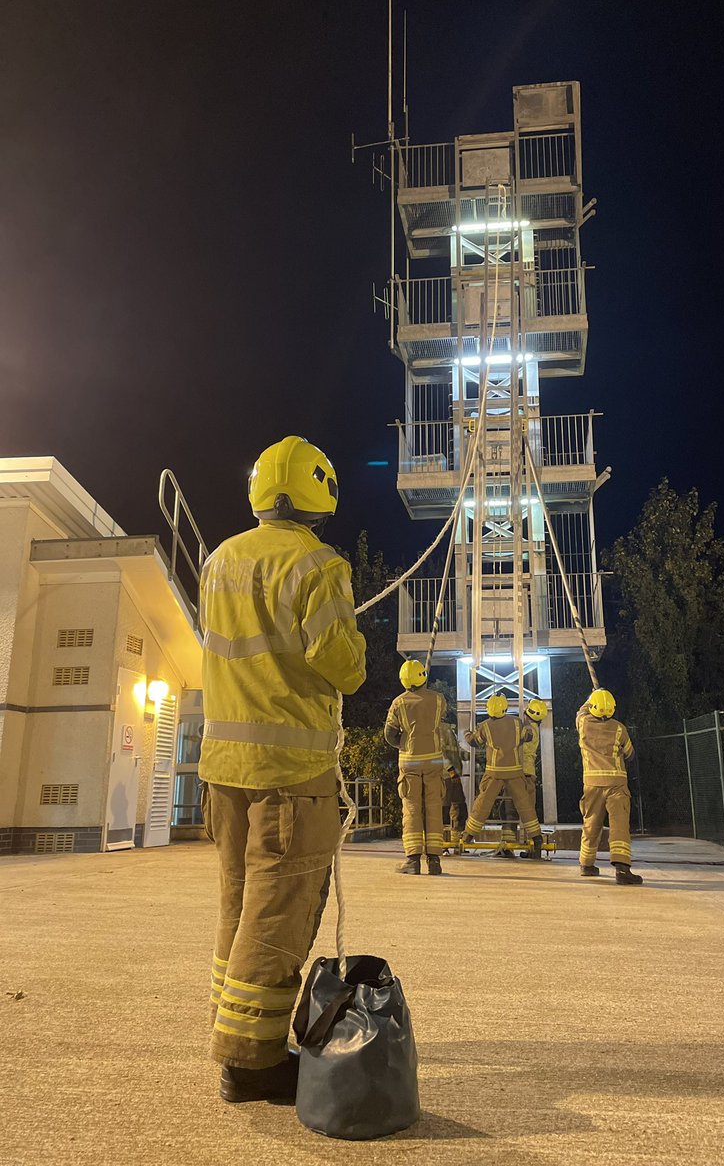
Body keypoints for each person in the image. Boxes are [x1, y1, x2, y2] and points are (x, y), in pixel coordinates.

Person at [198, 435, 366, 1104]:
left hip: (223, 768)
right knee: (278, 912)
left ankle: (233, 1031)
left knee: (239, 904)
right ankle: (251, 1060)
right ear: (319, 492)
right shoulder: (318, 564)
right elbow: (341, 664)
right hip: (289, 773)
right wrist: (355, 647)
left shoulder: (219, 560)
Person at [384, 660, 447, 875]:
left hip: (409, 761)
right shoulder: (438, 699)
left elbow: (390, 734)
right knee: (434, 807)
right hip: (434, 761)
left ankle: (412, 860)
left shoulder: (398, 703)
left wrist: (404, 742)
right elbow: (441, 720)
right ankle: (434, 861)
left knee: (411, 808)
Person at [461, 694, 543, 859]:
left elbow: (474, 741)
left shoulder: (485, 726)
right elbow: (528, 736)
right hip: (515, 771)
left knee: (482, 804)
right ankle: (536, 837)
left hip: (494, 772)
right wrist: (526, 725)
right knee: (525, 806)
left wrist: (467, 733)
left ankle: (468, 836)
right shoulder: (517, 723)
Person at [576, 688, 642, 884]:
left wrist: (592, 696)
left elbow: (581, 711)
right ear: (612, 708)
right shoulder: (619, 729)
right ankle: (622, 870)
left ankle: (586, 864)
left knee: (591, 823)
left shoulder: (583, 724)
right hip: (616, 784)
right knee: (619, 825)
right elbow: (630, 754)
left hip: (592, 783)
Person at [440, 721, 469, 842]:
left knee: (459, 804)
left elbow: (455, 751)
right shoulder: (440, 728)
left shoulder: (448, 729)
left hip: (453, 774)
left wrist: (471, 756)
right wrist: (450, 769)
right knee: (446, 806)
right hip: (446, 775)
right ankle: (444, 838)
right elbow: (440, 753)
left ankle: (456, 836)